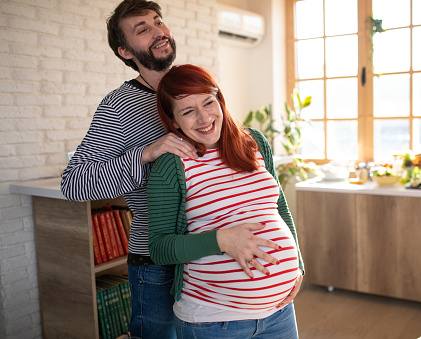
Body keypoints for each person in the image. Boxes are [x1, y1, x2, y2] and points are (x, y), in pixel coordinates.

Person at [61, 1, 279, 338]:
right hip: (158, 262)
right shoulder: (118, 107)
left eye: (158, 22)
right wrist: (148, 152)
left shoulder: (192, 88)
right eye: (142, 29)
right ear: (124, 50)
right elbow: (75, 183)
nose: (158, 31)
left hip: (212, 255)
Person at [147, 64, 305, 339]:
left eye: (208, 102)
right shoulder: (171, 166)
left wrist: (297, 266)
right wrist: (220, 240)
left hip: (279, 313)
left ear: (220, 99)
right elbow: (159, 248)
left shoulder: (254, 142)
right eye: (187, 111)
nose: (204, 117)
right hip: (214, 322)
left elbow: (279, 207)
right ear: (173, 121)